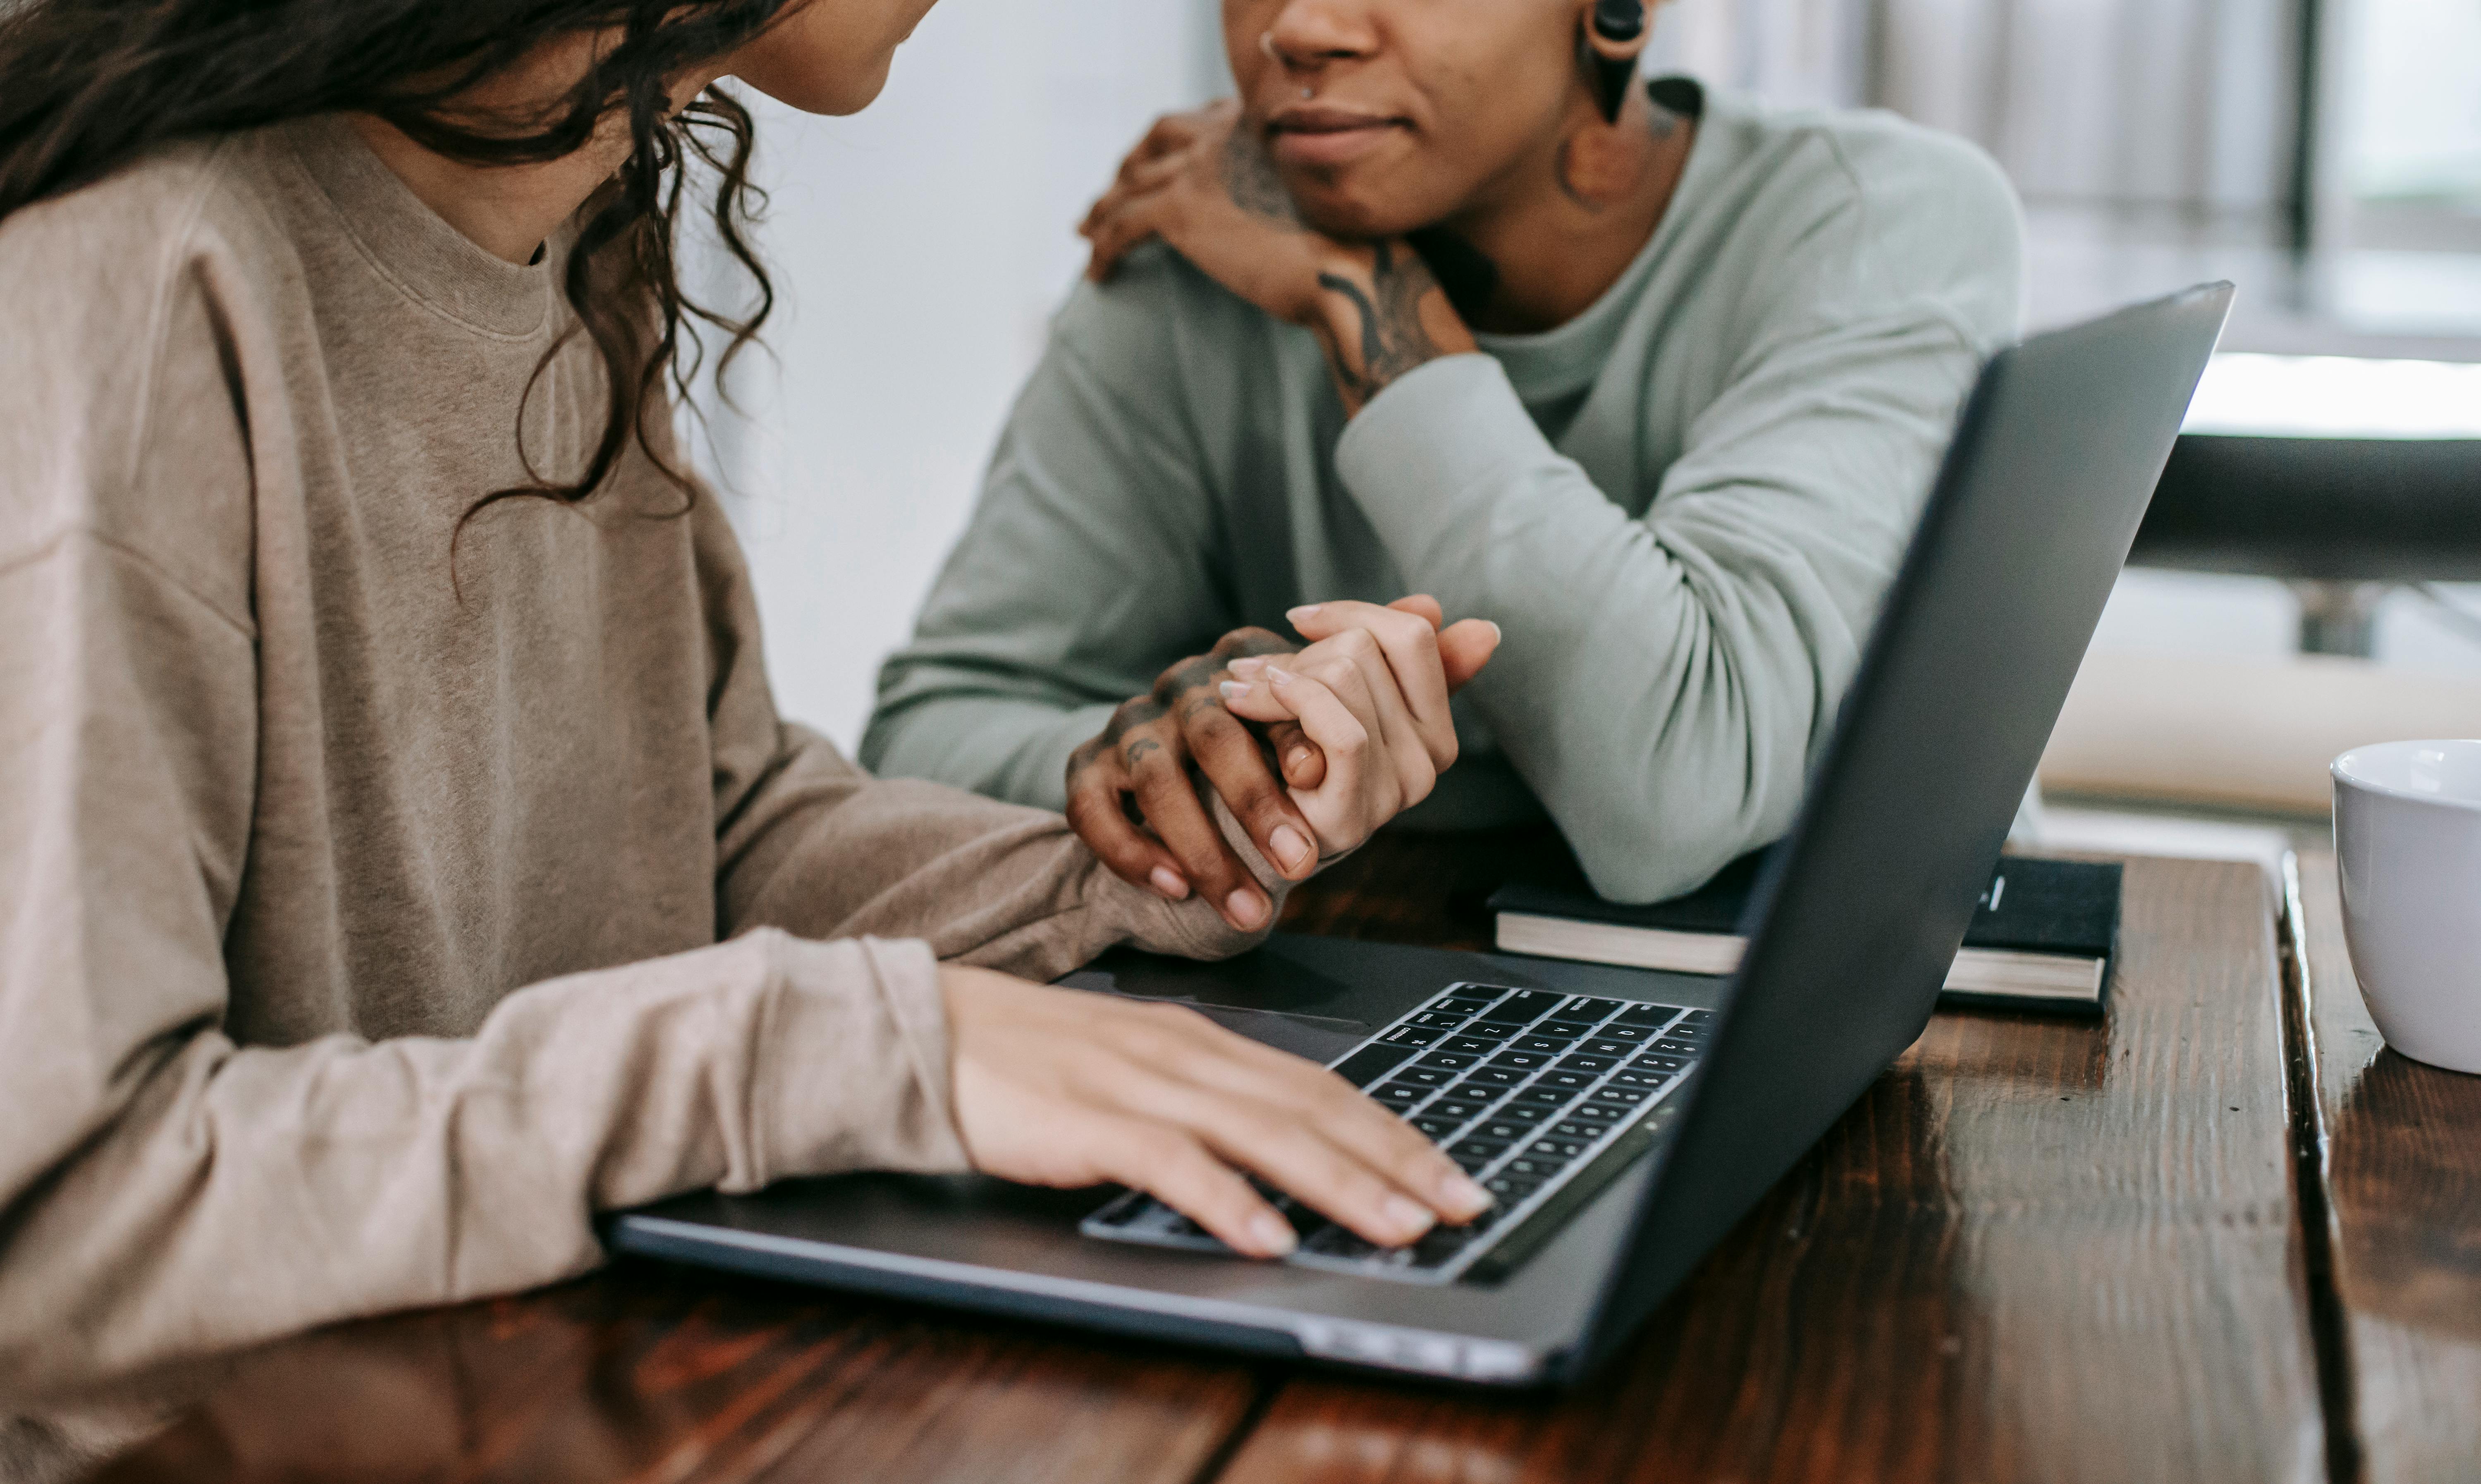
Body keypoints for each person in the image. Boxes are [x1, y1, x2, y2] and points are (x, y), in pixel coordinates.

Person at [0, 0, 1504, 1400]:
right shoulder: (129, 300)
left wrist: (1141, 854)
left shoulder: (573, 239)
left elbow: (707, 828)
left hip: (539, 1381)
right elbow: (67, 1220)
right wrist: (819, 1051)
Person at [862, 0, 2027, 912]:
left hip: (1822, 1008)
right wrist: (1199, 768)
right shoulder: (1196, 260)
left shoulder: (1879, 218)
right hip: (1360, 978)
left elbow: (1677, 794)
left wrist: (1360, 300)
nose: (1301, 27)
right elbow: (929, 734)